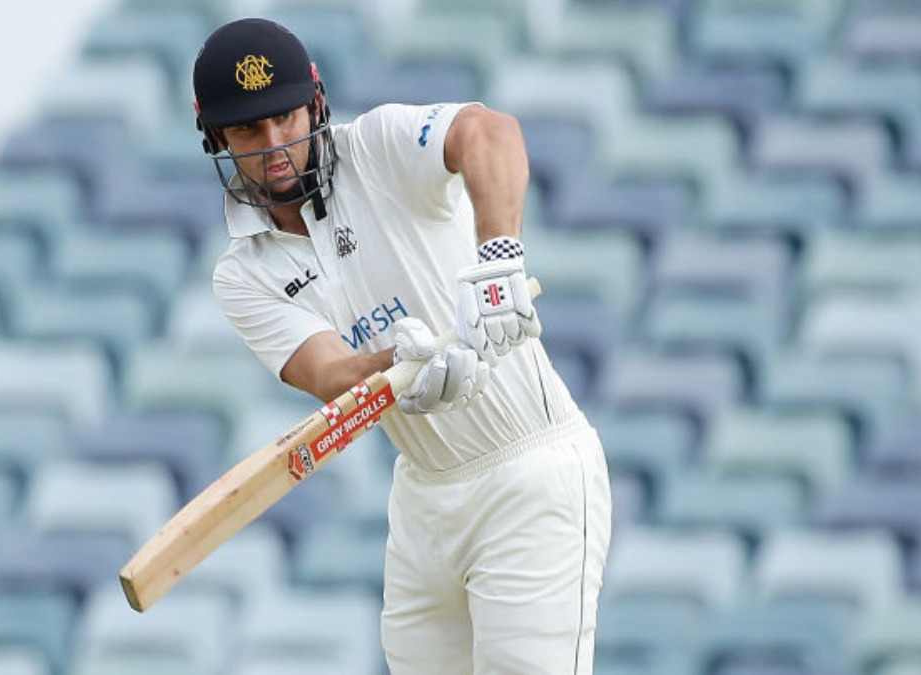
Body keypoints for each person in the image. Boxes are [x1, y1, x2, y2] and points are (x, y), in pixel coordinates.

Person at [191, 17, 612, 675]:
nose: (276, 145)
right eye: (249, 129)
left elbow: (490, 131)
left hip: (530, 469)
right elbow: (328, 369)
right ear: (214, 134)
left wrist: (497, 251)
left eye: (286, 118)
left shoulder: (379, 146)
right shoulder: (241, 273)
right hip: (424, 498)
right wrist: (398, 365)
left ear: (315, 101)